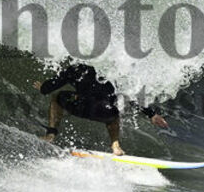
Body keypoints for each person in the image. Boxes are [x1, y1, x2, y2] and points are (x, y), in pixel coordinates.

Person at [33, 62, 168, 156]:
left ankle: (51, 134)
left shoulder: (75, 69)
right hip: (105, 113)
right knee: (114, 110)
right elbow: (130, 96)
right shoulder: (112, 72)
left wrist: (42, 87)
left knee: (57, 97)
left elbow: (49, 88)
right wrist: (151, 115)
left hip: (80, 107)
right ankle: (115, 145)